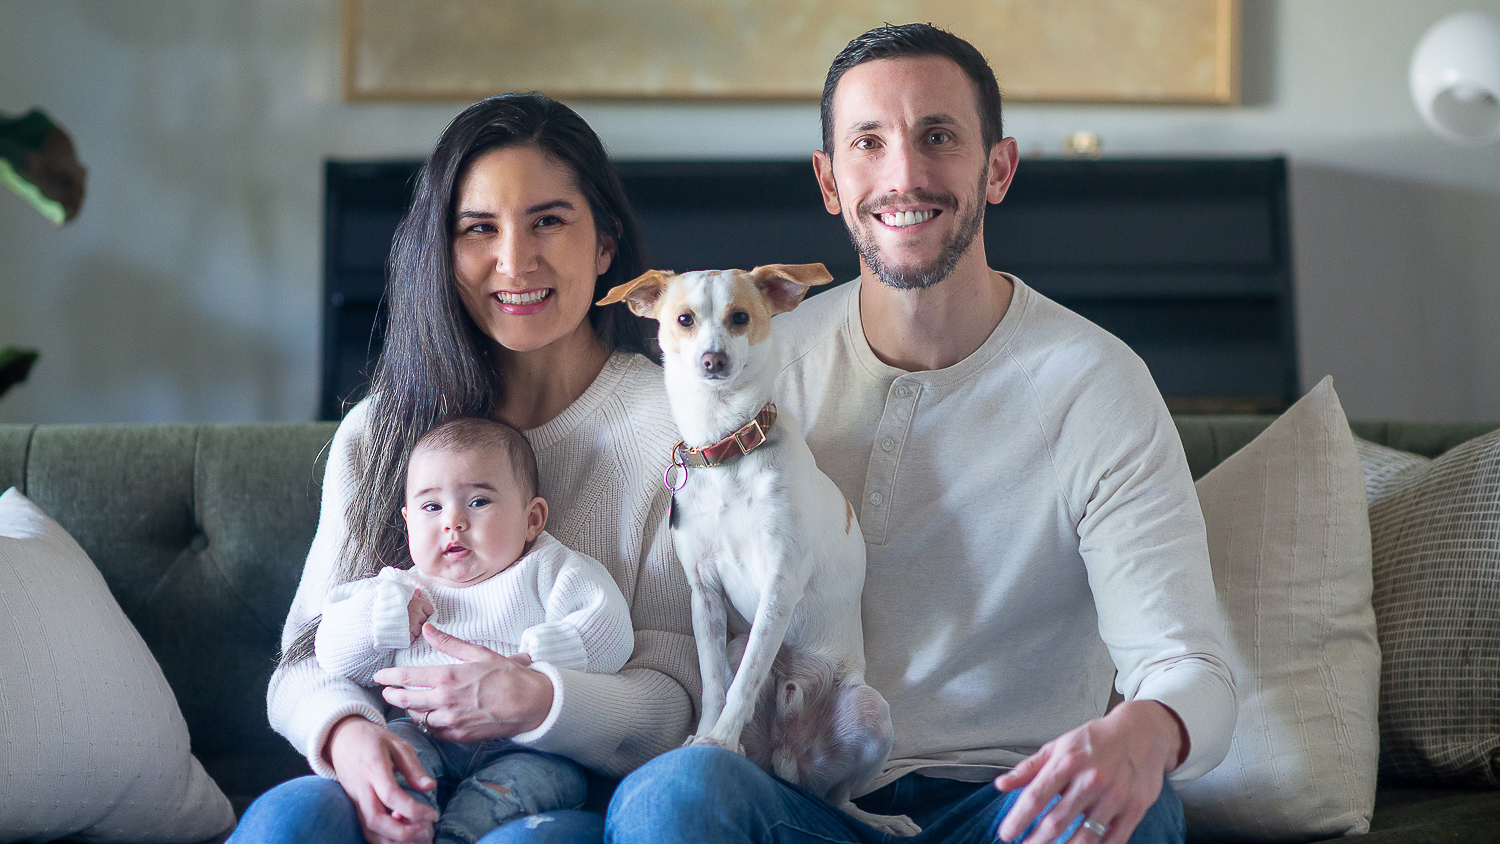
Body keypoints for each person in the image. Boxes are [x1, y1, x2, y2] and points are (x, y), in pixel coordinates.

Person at [606, 23, 1236, 844]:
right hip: (801, 802)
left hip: (1013, 803)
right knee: (671, 801)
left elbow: (1194, 673)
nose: (904, 174)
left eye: (937, 136)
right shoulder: (754, 352)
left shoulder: (1095, 381)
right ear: (830, 182)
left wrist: (1145, 734)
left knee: (1144, 809)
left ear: (997, 169)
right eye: (869, 143)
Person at [231, 93, 697, 844]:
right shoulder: (379, 433)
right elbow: (301, 666)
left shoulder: (672, 429)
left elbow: (675, 696)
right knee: (287, 821)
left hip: (568, 793)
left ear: (606, 244)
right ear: (443, 253)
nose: (515, 261)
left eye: (548, 220)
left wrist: (537, 700)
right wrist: (351, 739)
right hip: (402, 763)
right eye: (478, 229)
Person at [314, 417, 636, 844]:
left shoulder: (549, 568)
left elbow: (611, 631)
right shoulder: (397, 589)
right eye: (432, 507)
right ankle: (406, 823)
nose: (453, 522)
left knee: (525, 786)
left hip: (530, 747)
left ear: (532, 519)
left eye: (479, 502)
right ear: (408, 521)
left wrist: (537, 657)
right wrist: (382, 619)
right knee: (395, 758)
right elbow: (331, 654)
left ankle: (455, 834)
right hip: (420, 731)